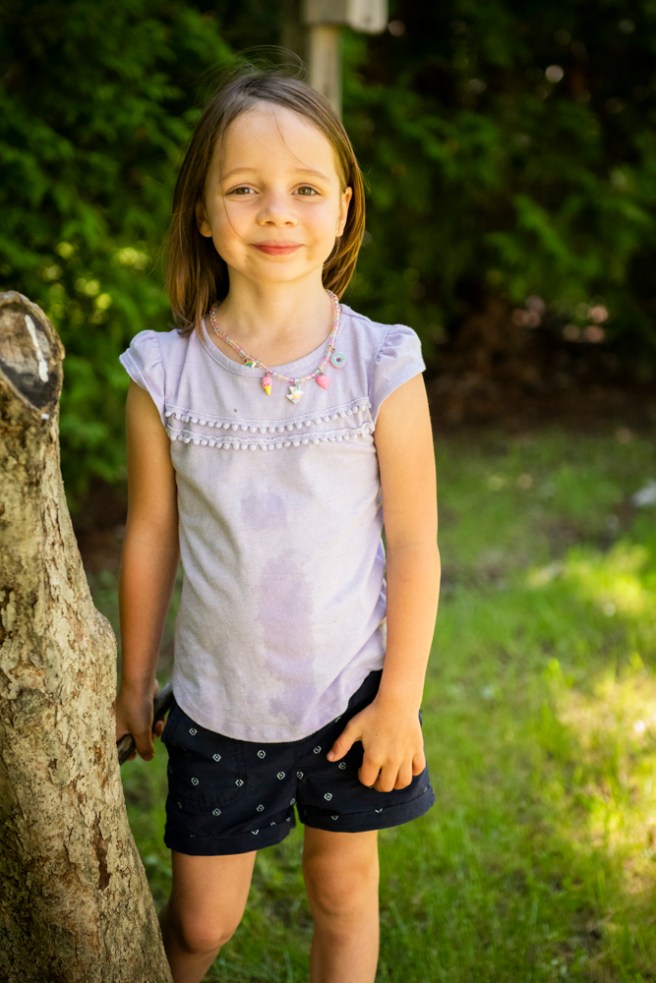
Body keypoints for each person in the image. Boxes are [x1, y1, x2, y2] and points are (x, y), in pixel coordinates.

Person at [114, 65, 440, 983]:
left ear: (343, 207)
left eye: (304, 188)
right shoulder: (164, 375)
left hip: (351, 700)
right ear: (203, 213)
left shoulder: (382, 364)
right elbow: (151, 535)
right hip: (219, 705)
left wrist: (398, 701)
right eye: (244, 189)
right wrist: (134, 679)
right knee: (202, 922)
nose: (276, 212)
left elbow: (415, 544)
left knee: (343, 893)